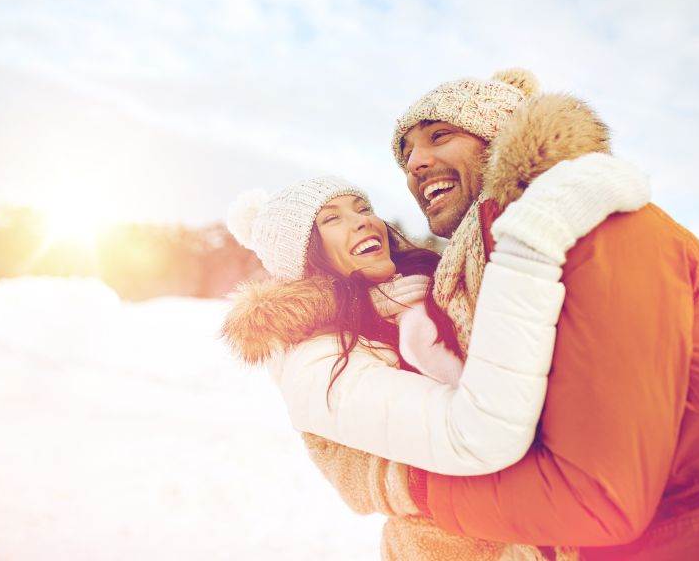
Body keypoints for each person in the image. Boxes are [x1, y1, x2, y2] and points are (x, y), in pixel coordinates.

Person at [324, 67, 699, 560]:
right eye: (405, 154)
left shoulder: (597, 229)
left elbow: (598, 497)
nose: (416, 161)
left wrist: (405, 488)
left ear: (498, 136)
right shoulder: (492, 272)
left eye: (439, 136)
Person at [223, 157, 648, 558]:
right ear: (303, 256)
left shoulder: (424, 297)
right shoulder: (315, 361)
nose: (363, 220)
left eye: (362, 207)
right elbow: (475, 433)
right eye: (332, 219)